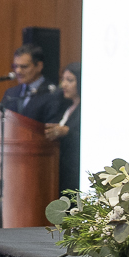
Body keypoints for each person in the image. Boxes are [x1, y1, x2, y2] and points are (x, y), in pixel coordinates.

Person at [43, 63, 83, 193]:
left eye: (69, 80)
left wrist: (67, 132)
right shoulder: (66, 107)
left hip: (77, 172)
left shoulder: (86, 108)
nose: (63, 85)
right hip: (61, 170)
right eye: (63, 79)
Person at [0, 44, 66, 122]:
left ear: (39, 66)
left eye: (24, 67)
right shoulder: (10, 93)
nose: (18, 71)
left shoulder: (53, 93)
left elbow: (51, 125)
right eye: (15, 66)